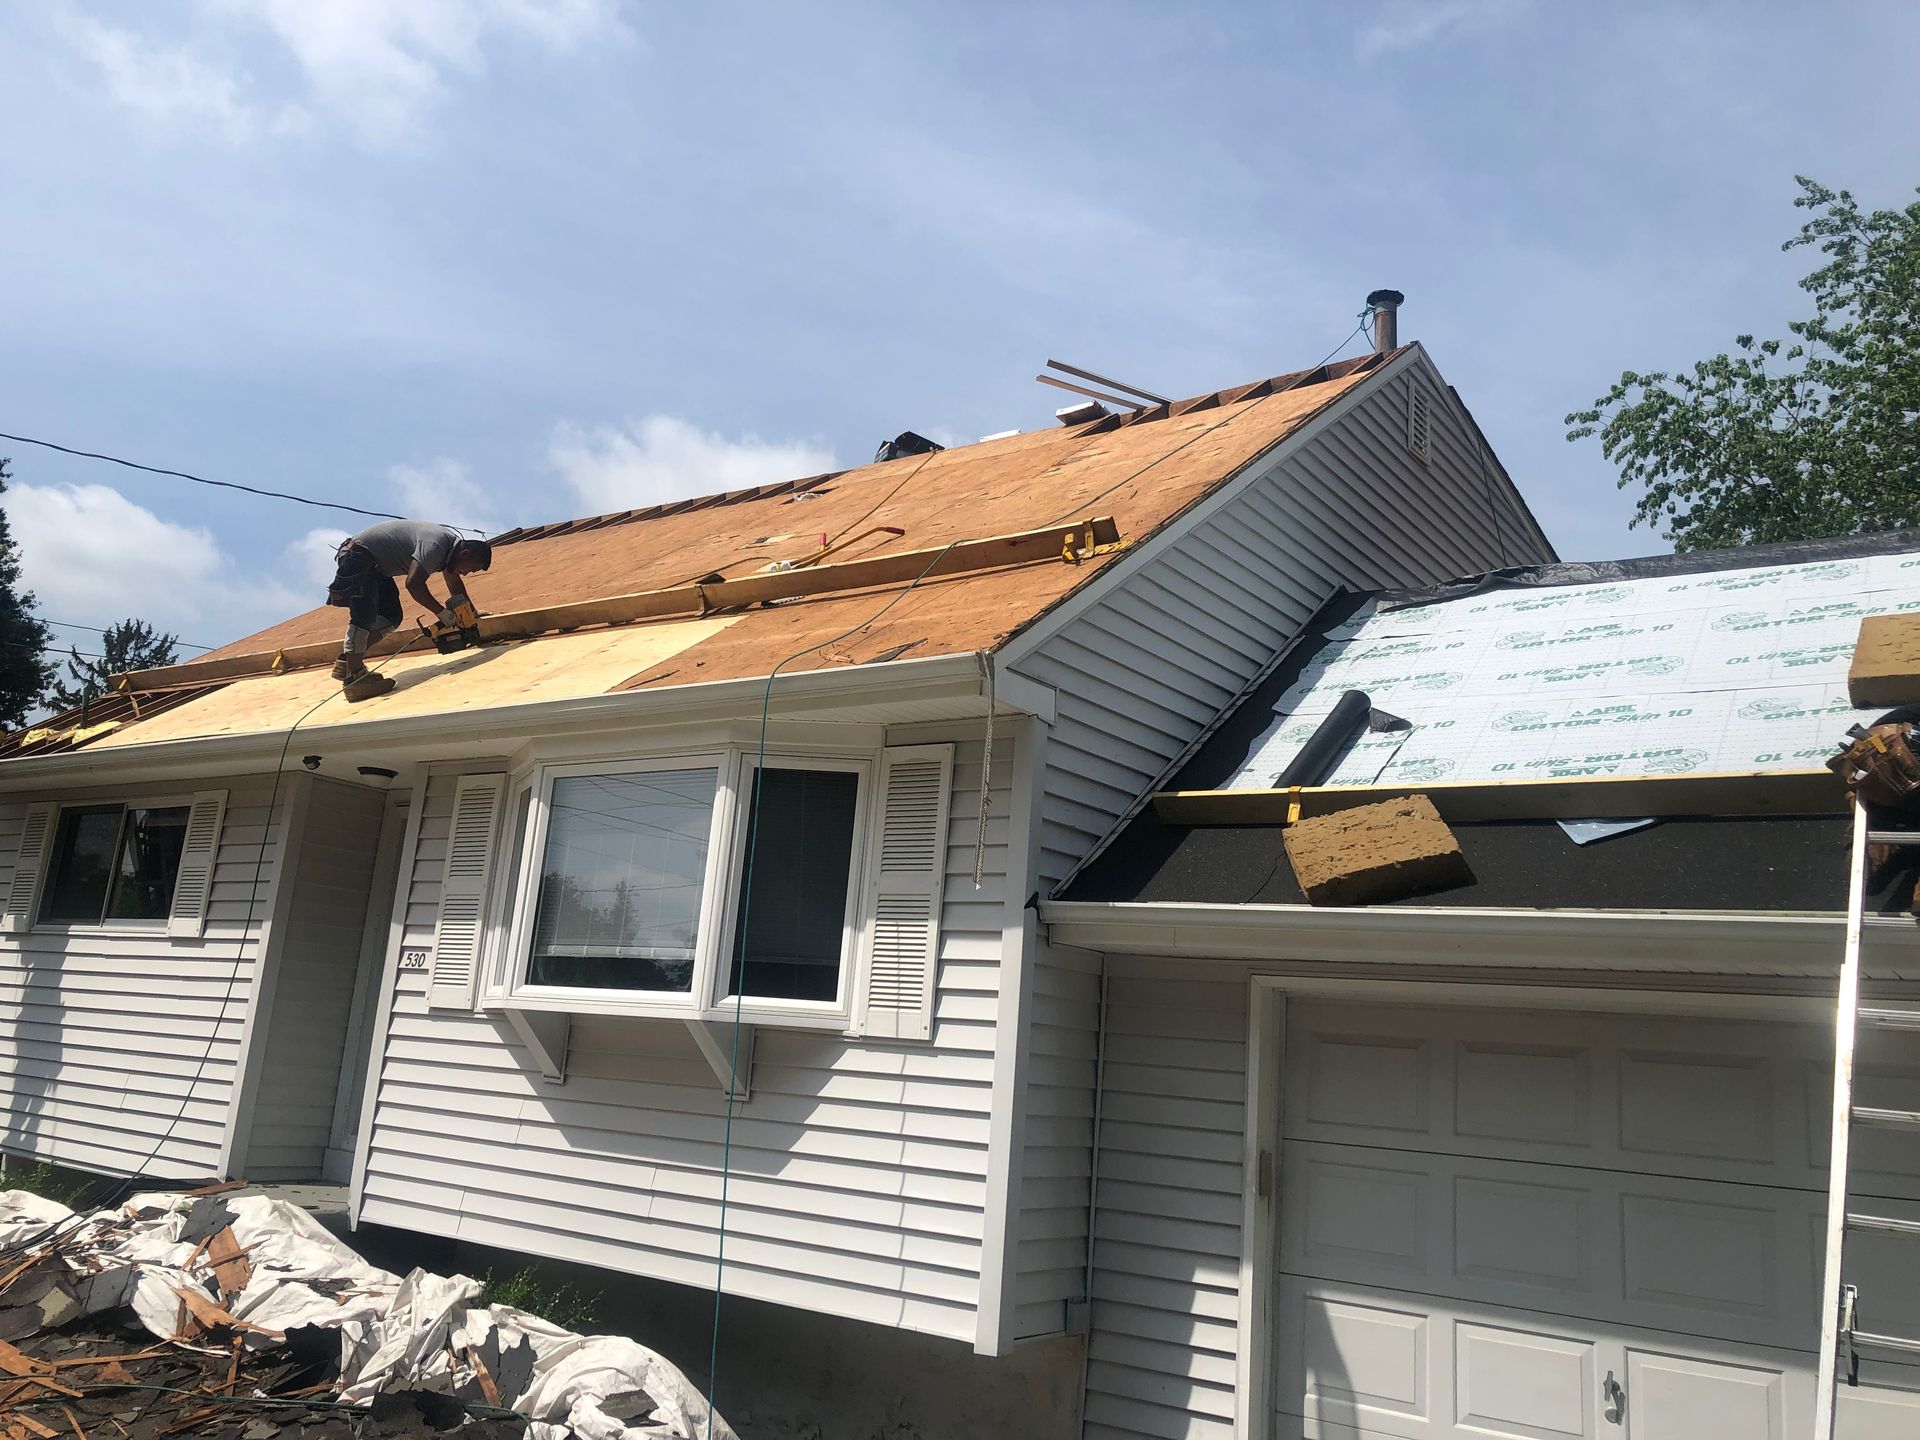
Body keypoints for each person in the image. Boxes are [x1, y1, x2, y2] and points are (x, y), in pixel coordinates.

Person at [325, 520, 491, 698]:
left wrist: (470, 615)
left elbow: (455, 584)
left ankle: (347, 663)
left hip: (376, 566)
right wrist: (441, 613)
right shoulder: (435, 545)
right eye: (469, 569)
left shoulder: (451, 553)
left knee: (391, 617)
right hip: (358, 557)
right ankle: (355, 681)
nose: (465, 573)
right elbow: (414, 584)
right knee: (364, 614)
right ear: (464, 553)